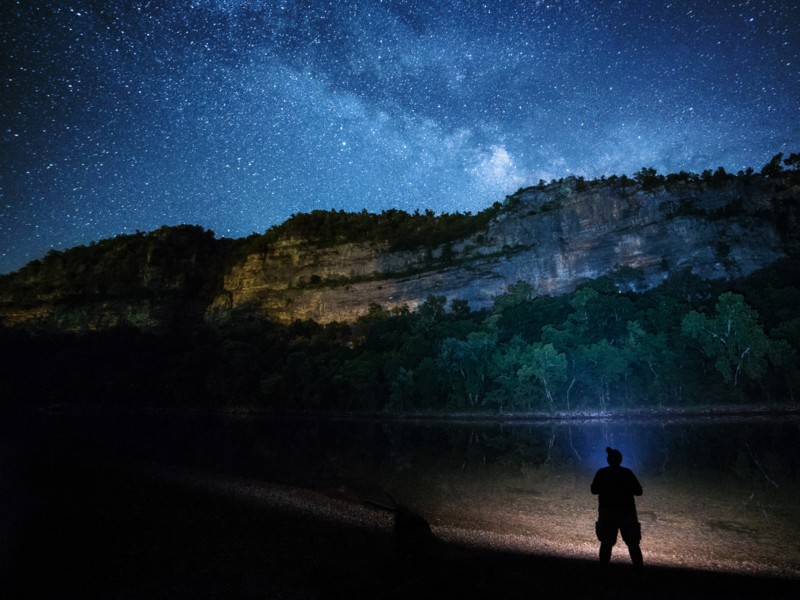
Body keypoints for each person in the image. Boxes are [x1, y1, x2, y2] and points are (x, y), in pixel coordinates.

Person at [590, 446, 643, 567]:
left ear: (608, 460)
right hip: (627, 512)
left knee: (606, 543)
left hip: (607, 512)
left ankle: (603, 571)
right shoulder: (627, 473)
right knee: (633, 544)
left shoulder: (602, 472)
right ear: (620, 460)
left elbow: (594, 490)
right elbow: (639, 491)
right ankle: (639, 571)